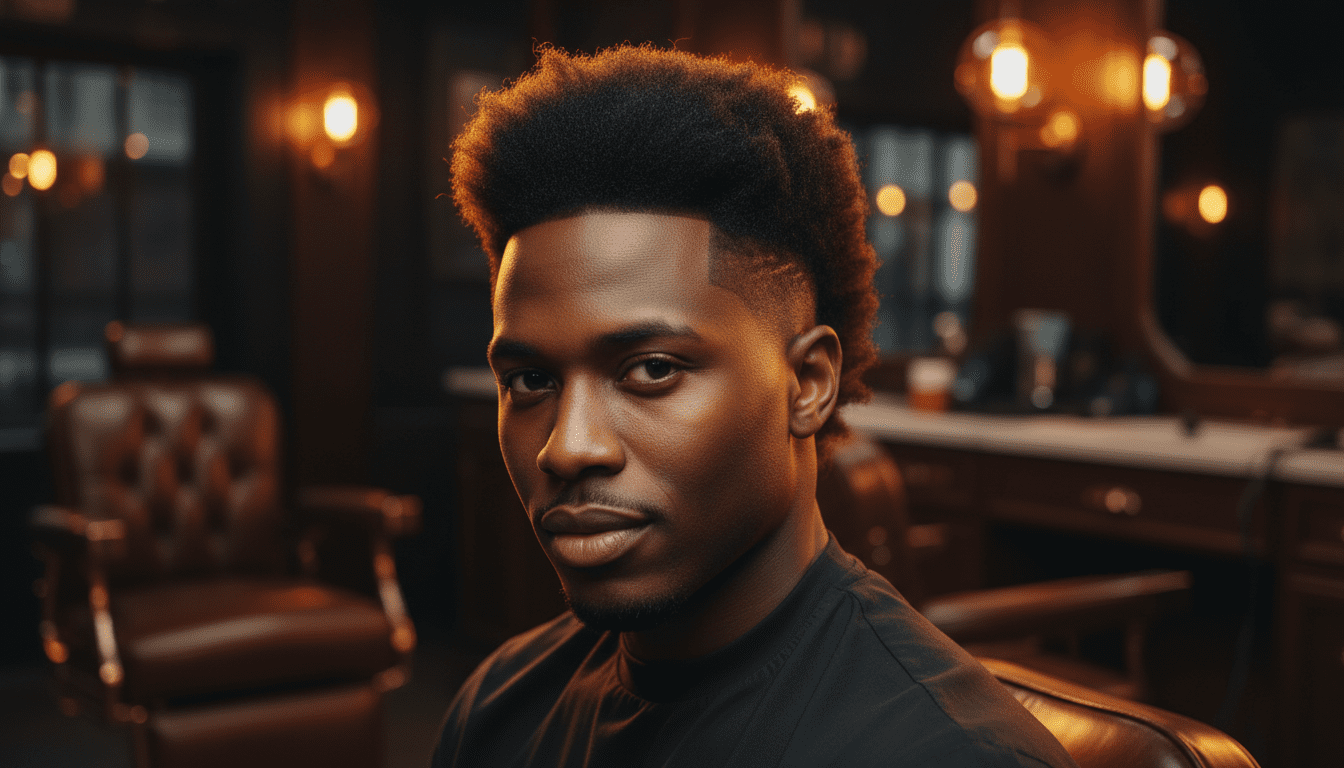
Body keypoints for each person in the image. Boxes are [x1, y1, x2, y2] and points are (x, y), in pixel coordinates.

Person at [434, 44, 1079, 768]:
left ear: (806, 384)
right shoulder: (497, 710)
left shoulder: (948, 756)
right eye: (529, 382)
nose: (568, 447)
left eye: (650, 369)